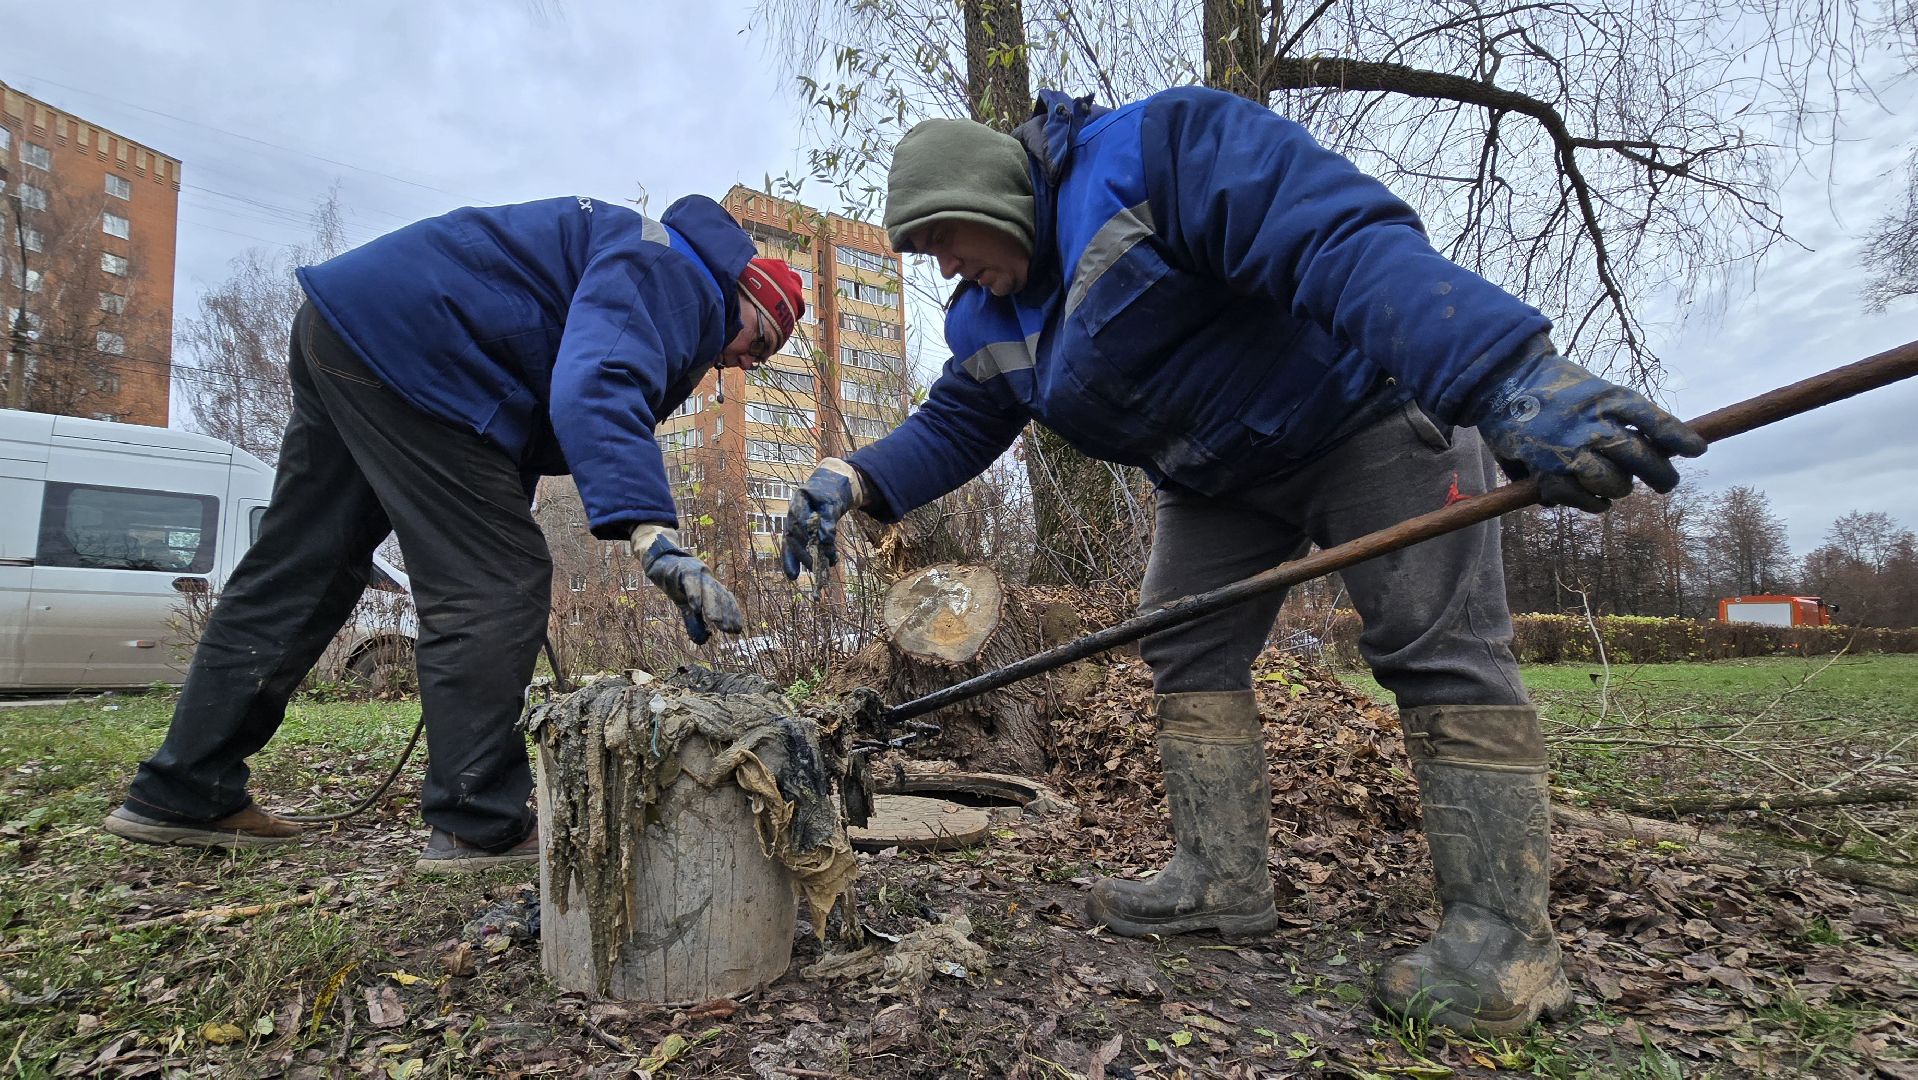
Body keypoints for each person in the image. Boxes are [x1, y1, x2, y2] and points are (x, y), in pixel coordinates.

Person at [781, 89, 1705, 1035]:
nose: (946, 267)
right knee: (1182, 643)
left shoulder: (1156, 153)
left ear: (998, 196)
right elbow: (959, 422)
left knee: (1434, 647)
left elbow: (1332, 237)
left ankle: (1507, 945)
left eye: (946, 236)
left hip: (1364, 415)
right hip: (1219, 481)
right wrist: (849, 477)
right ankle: (1219, 882)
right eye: (925, 252)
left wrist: (1500, 370)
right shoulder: (988, 319)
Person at [103, 194, 806, 872]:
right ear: (740, 294)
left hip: (353, 327)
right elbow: (598, 381)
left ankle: (184, 790)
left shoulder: (650, 255)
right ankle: (478, 824)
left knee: (305, 565)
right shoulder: (677, 272)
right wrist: (654, 536)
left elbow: (533, 379)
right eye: (759, 340)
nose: (745, 360)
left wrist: (505, 493)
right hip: (418, 351)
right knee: (495, 582)